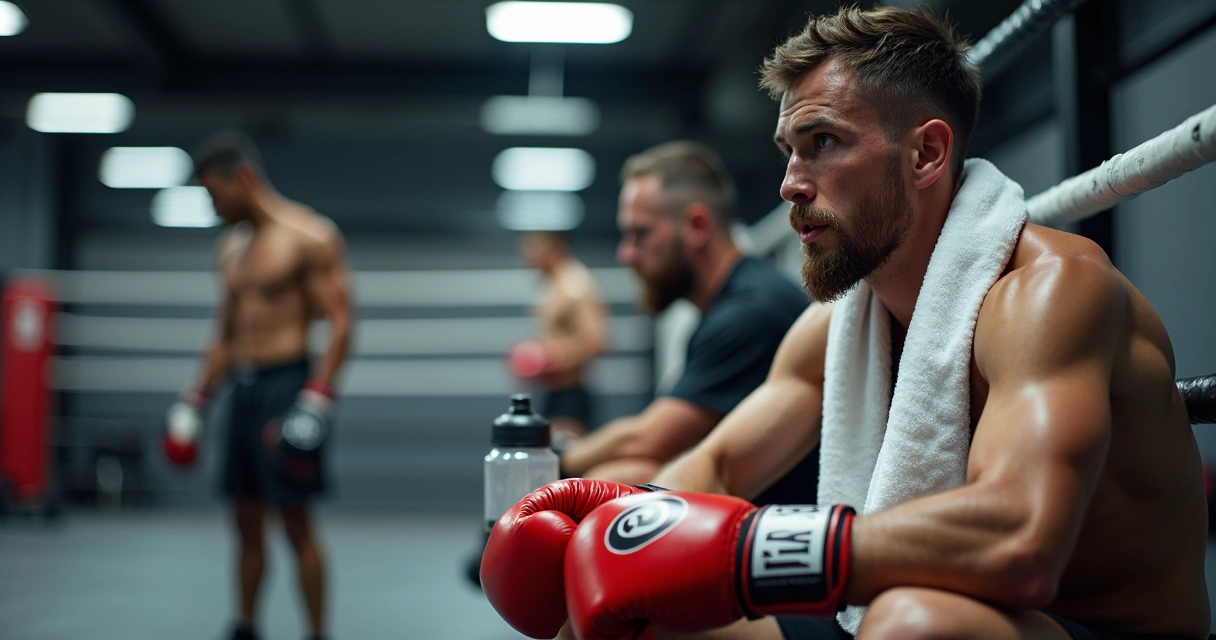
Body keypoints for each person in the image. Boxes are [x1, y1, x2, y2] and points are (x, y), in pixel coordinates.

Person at [479, 7, 1211, 640]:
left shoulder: (1049, 294)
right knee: (644, 620)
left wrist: (748, 551)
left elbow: (1021, 540)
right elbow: (719, 466)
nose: (791, 184)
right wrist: (621, 543)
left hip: (1084, 626)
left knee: (913, 624)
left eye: (823, 143)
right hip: (904, 612)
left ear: (926, 152)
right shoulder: (841, 326)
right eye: (789, 151)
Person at [165, 131, 354, 640]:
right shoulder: (230, 248)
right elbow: (225, 335)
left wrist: (317, 398)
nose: (212, 206)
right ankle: (245, 626)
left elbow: (341, 321)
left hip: (287, 386)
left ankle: (317, 633)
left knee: (296, 523)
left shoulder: (308, 236)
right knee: (243, 521)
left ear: (243, 178)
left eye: (214, 194)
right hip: (242, 393)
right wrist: (195, 398)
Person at [557, 140, 817, 502]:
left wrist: (557, 460)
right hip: (755, 505)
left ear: (696, 226)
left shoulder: (749, 313)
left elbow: (647, 437)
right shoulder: (728, 306)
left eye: (641, 234)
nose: (626, 254)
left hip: (787, 526)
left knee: (616, 480)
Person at [510, 230, 608, 446]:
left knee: (564, 467)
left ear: (555, 248)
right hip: (554, 392)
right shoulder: (551, 283)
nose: (526, 253)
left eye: (534, 245)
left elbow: (598, 341)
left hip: (570, 395)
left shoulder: (574, 285)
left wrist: (548, 357)